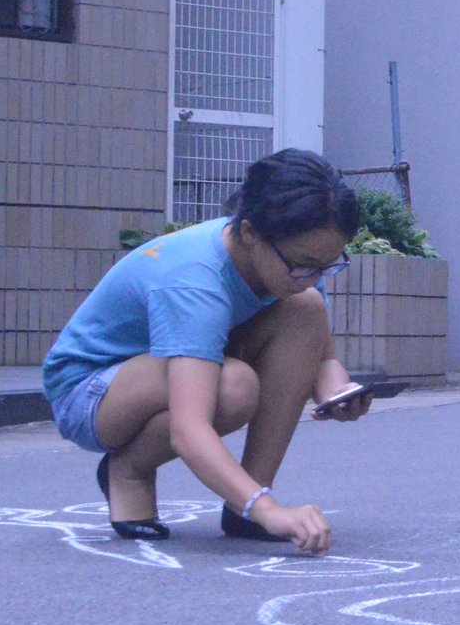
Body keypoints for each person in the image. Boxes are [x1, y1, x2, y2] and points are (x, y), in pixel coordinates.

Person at [42, 149, 372, 554]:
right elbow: (189, 428)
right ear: (250, 233)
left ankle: (247, 501)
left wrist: (338, 394)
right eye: (305, 264)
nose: (314, 276)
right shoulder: (194, 281)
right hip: (91, 391)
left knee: (304, 307)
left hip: (174, 367)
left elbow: (322, 358)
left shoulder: (291, 262)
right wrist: (270, 511)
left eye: (328, 264)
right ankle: (128, 471)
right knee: (234, 386)